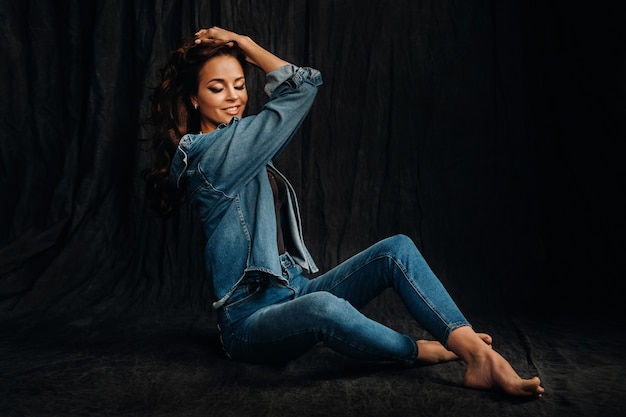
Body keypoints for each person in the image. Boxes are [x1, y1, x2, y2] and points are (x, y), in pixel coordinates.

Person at [143, 26, 544, 398]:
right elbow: (303, 86)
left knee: (396, 249)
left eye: (239, 84)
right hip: (248, 323)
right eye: (217, 88)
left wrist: (242, 44)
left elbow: (300, 84)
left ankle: (471, 349)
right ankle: (423, 351)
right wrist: (246, 44)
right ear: (194, 98)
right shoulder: (209, 157)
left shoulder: (234, 143)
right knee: (324, 308)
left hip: (292, 289)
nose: (234, 96)